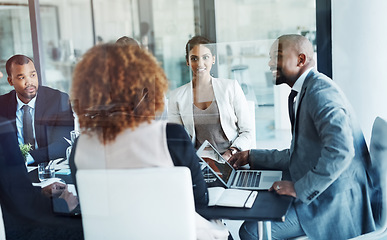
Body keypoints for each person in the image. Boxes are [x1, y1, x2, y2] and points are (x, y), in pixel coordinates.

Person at [228, 34, 375, 239]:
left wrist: (299, 188)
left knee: (251, 232)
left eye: (277, 56)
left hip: (332, 201)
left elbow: (341, 151)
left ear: (300, 60)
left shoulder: (320, 92)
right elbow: (299, 153)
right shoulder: (304, 90)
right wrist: (251, 156)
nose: (270, 62)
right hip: (322, 191)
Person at [69, 43, 208, 208]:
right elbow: (201, 200)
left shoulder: (80, 147)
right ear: (144, 85)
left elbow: (90, 205)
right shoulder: (171, 137)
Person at [168, 36, 254, 160]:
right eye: (194, 58)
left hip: (232, 159)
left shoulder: (231, 87)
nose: (200, 63)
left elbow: (247, 131)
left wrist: (232, 152)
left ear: (213, 59)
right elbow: (177, 139)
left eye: (205, 57)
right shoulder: (176, 97)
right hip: (199, 162)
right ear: (188, 61)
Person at [0, 117, 82, 240]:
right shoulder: (3, 127)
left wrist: (41, 192)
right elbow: (23, 203)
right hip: (17, 228)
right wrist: (64, 204)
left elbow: (12, 190)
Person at [0, 55, 74, 165]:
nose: (29, 82)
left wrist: (28, 158)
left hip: (49, 168)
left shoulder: (58, 99)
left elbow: (64, 142)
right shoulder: (2, 104)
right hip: (13, 170)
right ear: (10, 81)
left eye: (32, 75)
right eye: (22, 77)